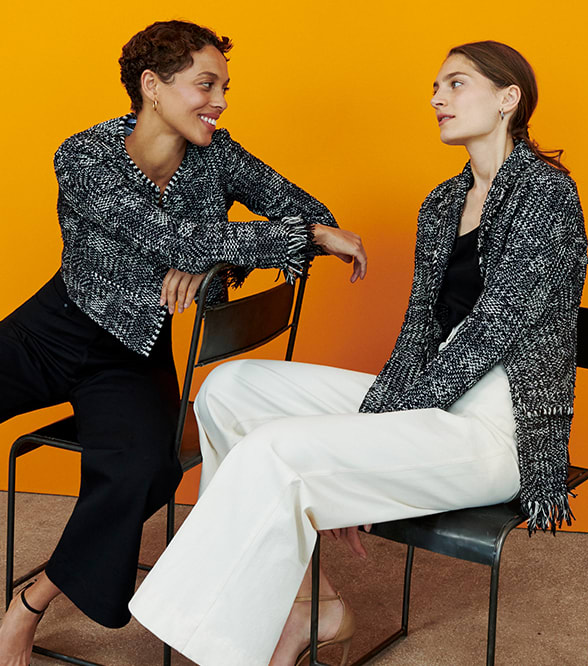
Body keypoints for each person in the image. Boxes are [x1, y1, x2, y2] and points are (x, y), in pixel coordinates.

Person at [129, 40, 588, 666]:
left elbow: (490, 335)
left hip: (496, 429)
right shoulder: (443, 203)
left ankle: (227, 647)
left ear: (509, 99)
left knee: (276, 451)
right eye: (435, 86)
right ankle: (308, 604)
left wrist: (362, 444)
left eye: (455, 84)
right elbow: (417, 338)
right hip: (431, 402)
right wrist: (363, 447)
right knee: (232, 390)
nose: (436, 98)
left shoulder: (547, 198)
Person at [0, 20, 366, 666]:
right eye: (206, 84)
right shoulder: (83, 156)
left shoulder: (218, 156)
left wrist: (218, 267)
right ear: (152, 85)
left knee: (148, 467)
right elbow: (176, 239)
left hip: (132, 355)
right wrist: (236, 249)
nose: (220, 100)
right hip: (50, 331)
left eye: (224, 86)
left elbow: (312, 213)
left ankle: (30, 602)